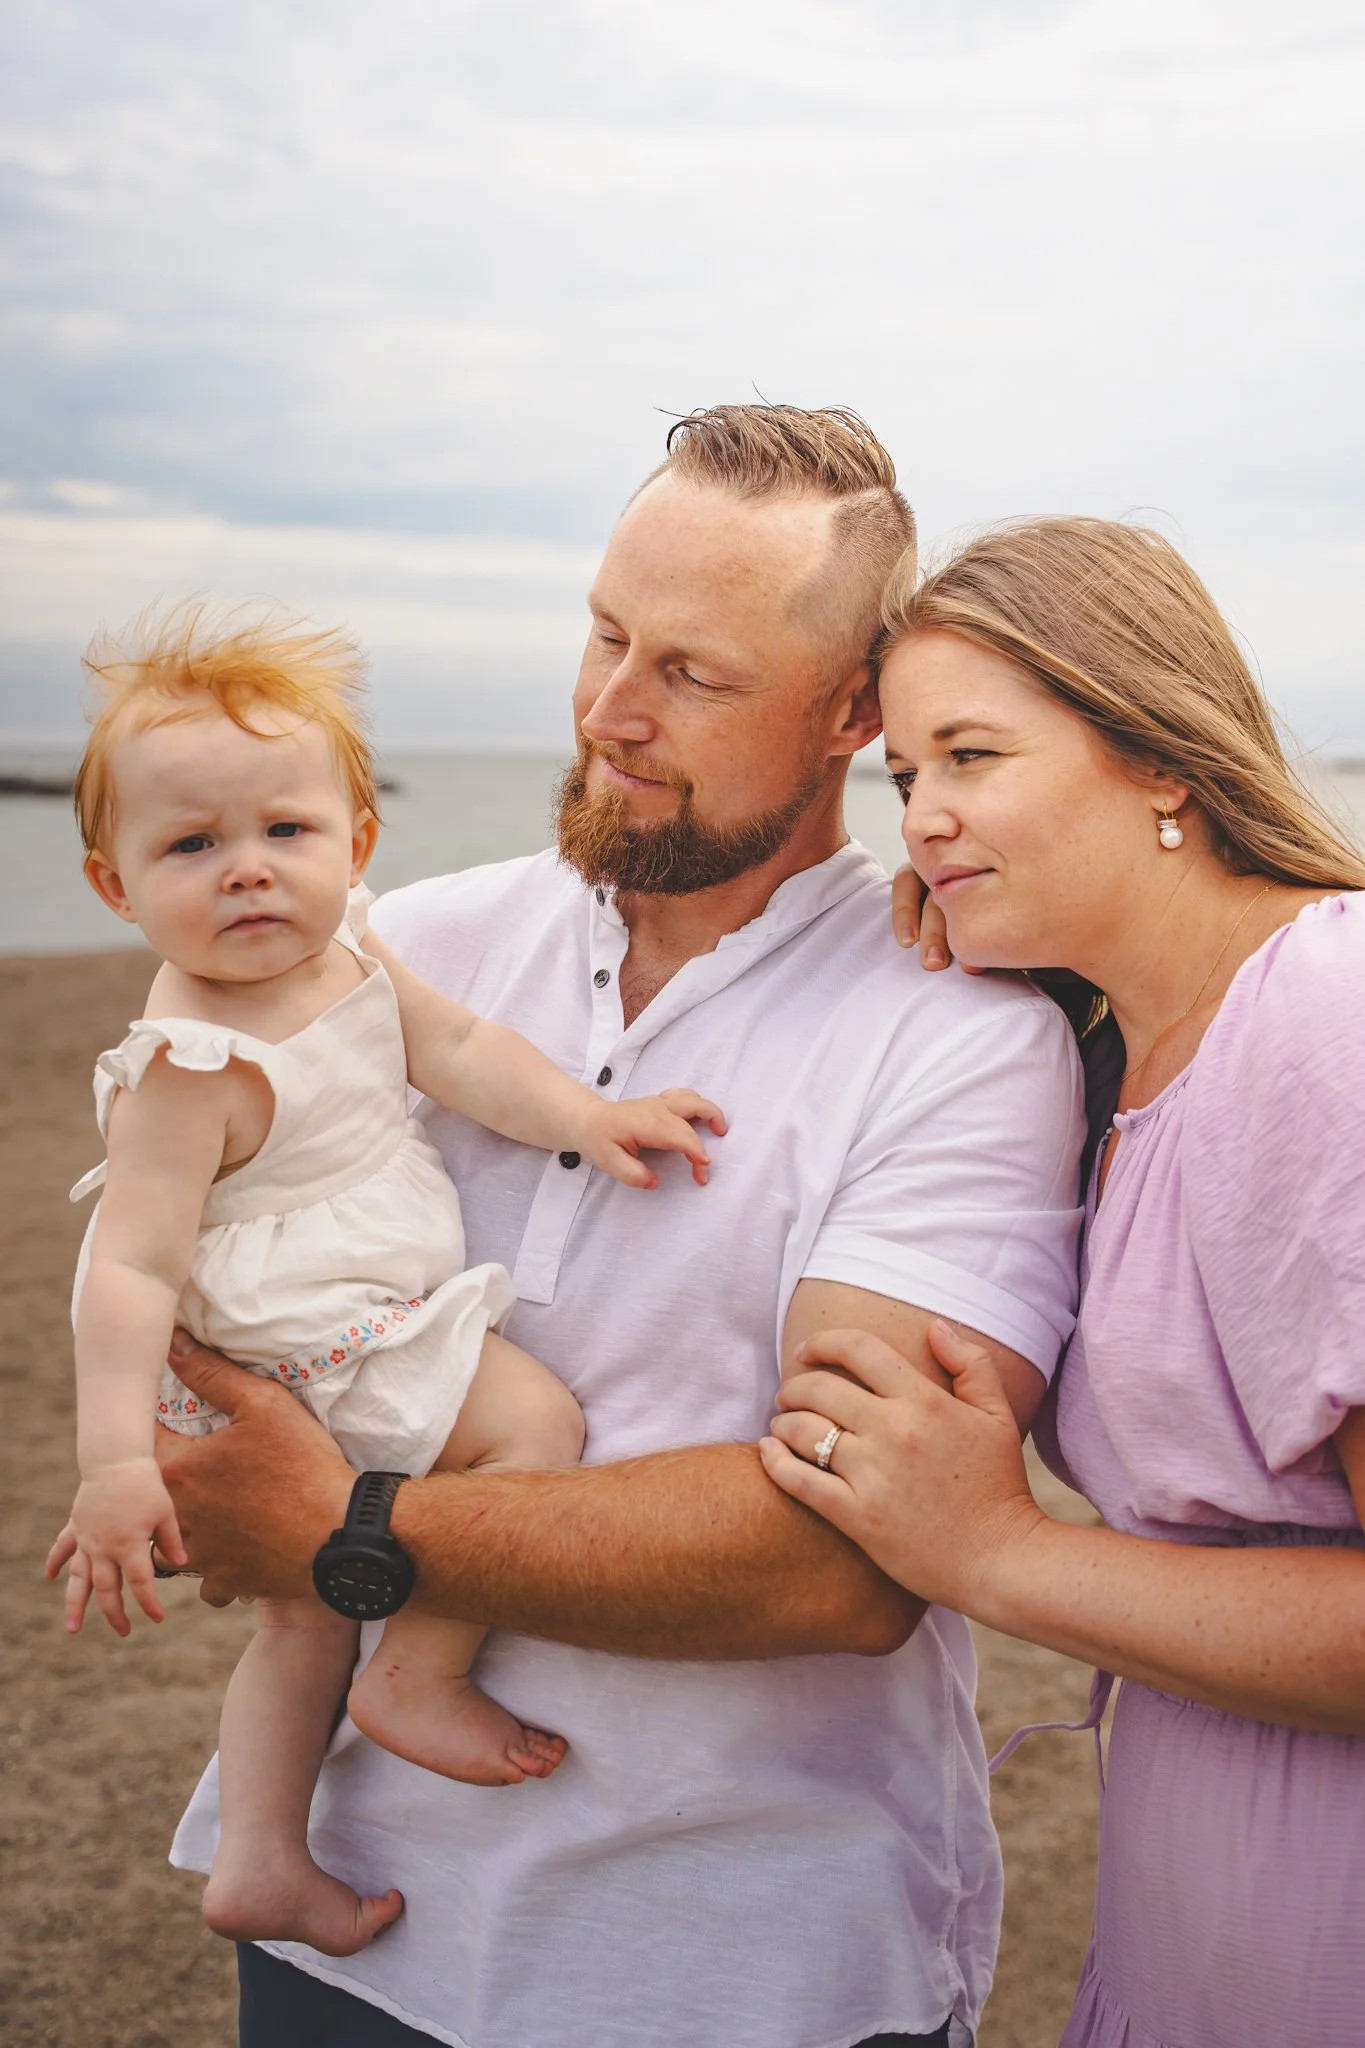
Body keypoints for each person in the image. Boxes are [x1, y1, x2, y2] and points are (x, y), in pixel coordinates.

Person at [159, 406, 1087, 2048]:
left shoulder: (962, 1034)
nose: (609, 710)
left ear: (849, 712)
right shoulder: (396, 947)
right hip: (338, 1916)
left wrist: (347, 1522)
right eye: (603, 634)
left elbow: (846, 1558)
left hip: (741, 1960)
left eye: (695, 676)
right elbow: (205, 1321)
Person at [763, 515, 1365, 2048]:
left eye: (975, 757)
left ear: (1162, 758)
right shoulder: (1133, 1047)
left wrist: (995, 1554)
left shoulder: (1322, 1020)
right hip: (1199, 1913)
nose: (925, 824)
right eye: (905, 779)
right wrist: (1022, 955)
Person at [45, 608, 722, 1959]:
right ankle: (419, 1672)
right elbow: (125, 1267)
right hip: (315, 1338)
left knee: (299, 1626)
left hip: (350, 1320)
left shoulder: (349, 959)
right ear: (113, 887)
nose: (247, 874)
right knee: (533, 1425)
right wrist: (113, 1460)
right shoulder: (187, 1066)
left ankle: (258, 1861)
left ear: (355, 843)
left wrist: (587, 1118)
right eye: (191, 846)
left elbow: (464, 1051)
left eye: (282, 834)